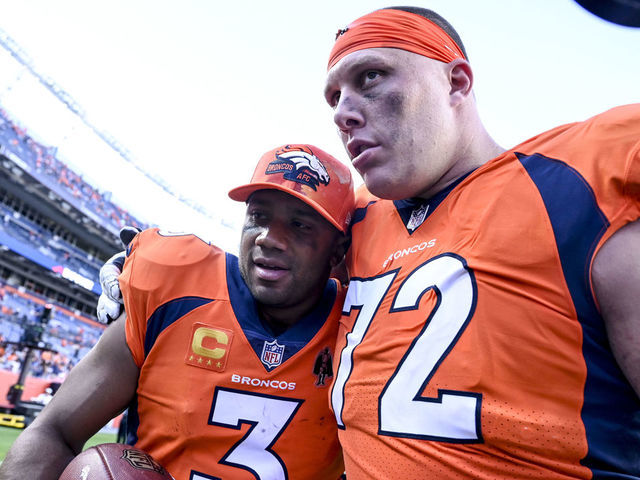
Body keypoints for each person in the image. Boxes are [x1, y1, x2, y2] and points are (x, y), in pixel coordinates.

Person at [322, 6, 640, 479]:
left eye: (370, 77)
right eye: (333, 98)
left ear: (457, 83)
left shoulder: (573, 185)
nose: (343, 113)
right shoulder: (352, 222)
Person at [0, 144, 354, 480]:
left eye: (300, 224)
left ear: (338, 251)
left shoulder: (359, 326)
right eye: (258, 216)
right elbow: (54, 431)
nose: (267, 238)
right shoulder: (175, 291)